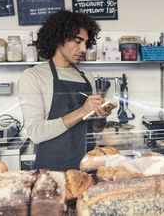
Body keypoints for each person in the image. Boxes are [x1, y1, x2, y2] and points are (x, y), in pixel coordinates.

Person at [18, 10, 117, 171]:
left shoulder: (87, 76)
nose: (84, 49)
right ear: (59, 39)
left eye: (86, 43)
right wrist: (82, 111)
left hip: (87, 167)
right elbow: (35, 133)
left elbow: (91, 129)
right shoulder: (33, 76)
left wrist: (100, 119)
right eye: (78, 41)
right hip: (52, 171)